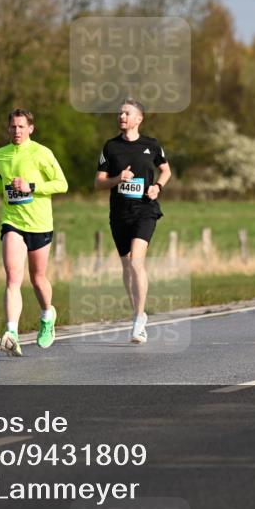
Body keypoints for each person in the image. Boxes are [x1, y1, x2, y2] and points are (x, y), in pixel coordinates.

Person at [0, 109, 68, 356]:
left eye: (21, 127)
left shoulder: (42, 153)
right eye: (13, 127)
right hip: (13, 221)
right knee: (12, 278)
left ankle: (48, 315)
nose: (17, 131)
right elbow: (2, 179)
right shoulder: (1, 154)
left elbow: (62, 184)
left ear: (31, 128)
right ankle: (11, 333)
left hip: (39, 223)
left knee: (38, 278)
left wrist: (32, 186)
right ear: (8, 129)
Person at [94, 98, 171, 344]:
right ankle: (138, 311)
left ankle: (138, 320)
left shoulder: (152, 145)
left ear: (139, 118)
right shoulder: (110, 147)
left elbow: (166, 170)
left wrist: (158, 187)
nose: (122, 117)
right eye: (119, 114)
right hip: (119, 213)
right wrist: (118, 178)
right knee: (127, 266)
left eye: (127, 113)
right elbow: (98, 183)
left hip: (145, 209)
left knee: (137, 260)